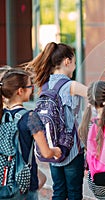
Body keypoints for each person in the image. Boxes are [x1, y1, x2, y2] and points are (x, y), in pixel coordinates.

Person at [27, 42, 87, 200]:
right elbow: (99, 94)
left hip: (53, 148)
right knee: (74, 194)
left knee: (59, 191)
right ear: (67, 61)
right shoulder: (70, 85)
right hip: (71, 150)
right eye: (74, 62)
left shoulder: (45, 85)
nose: (74, 67)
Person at [0, 68, 62, 199]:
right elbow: (46, 153)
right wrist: (56, 151)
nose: (32, 89)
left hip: (4, 182)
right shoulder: (30, 117)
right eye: (30, 86)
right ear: (20, 91)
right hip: (24, 185)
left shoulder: (2, 115)